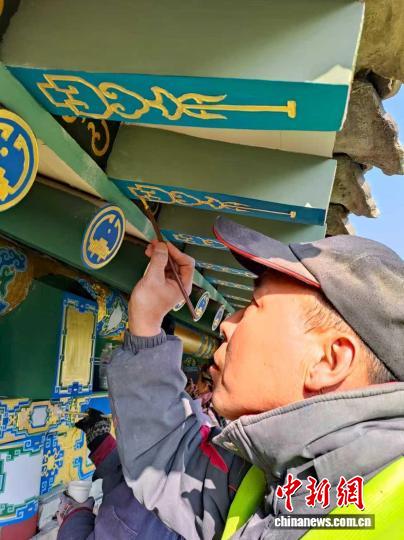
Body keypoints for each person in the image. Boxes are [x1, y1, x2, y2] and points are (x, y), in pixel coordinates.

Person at [64, 215, 404, 538]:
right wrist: (147, 322)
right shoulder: (285, 475)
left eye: (254, 304)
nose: (227, 323)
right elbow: (173, 461)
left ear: (329, 361)